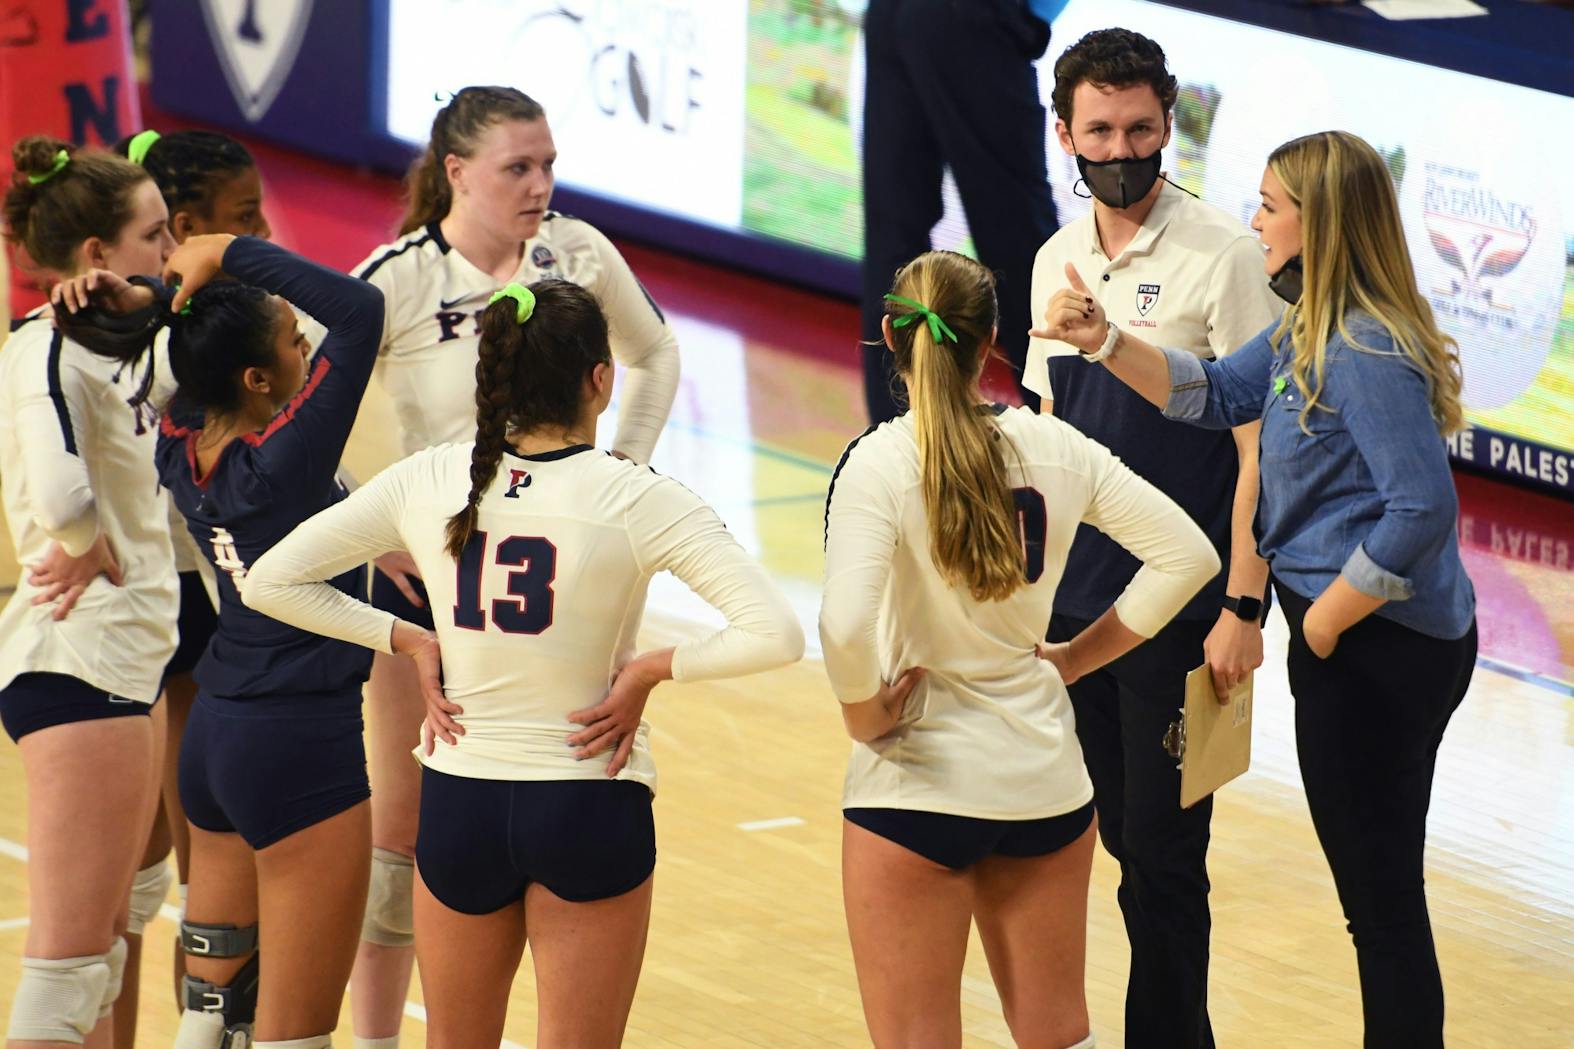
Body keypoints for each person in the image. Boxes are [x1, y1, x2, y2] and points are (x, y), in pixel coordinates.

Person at [242, 278, 802, 1048]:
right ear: (600, 379)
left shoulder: (429, 477)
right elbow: (776, 632)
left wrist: (408, 639)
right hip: (587, 798)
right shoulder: (638, 496)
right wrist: (649, 670)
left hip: (460, 805)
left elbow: (269, 580)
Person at [1036, 129, 1477, 1049]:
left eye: (1272, 207)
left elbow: (1421, 507)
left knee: (1381, 904)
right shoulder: (1308, 322)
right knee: (1380, 898)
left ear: (1322, 223)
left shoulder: (1360, 344)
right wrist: (1106, 340)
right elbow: (1211, 393)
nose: (1256, 221)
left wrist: (1325, 621)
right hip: (1366, 642)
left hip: (1381, 648)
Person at [344, 84, 682, 1047]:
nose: (541, 186)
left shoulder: (579, 252)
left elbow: (656, 354)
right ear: (456, 172)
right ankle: (376, 1037)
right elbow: (310, 401)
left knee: (568, 773)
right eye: (518, 168)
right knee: (402, 834)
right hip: (439, 586)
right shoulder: (397, 279)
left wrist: (627, 469)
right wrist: (375, 527)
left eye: (549, 166)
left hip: (562, 572)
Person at [821, 250, 1220, 1048]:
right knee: (1058, 1035)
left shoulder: (880, 461)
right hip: (1042, 783)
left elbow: (842, 624)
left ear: (891, 337)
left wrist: (864, 715)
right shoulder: (1056, 446)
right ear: (990, 341)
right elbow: (1189, 556)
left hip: (915, 785)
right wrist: (1074, 658)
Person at [54, 231, 387, 1049]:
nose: (305, 346)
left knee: (215, 1014)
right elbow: (360, 310)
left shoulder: (179, 440)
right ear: (256, 378)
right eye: (291, 340)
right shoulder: (285, 461)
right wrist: (228, 251)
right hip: (300, 742)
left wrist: (165, 297)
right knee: (291, 1033)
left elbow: (192, 350)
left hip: (217, 737)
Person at [1022, 30, 1284, 1046]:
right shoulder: (1051, 258)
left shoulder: (1224, 254)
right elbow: (1047, 446)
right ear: (1064, 134)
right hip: (1073, 612)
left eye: (1139, 129)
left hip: (1183, 613)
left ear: (1168, 124)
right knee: (1108, 845)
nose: (1120, 149)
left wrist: (1242, 606)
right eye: (1099, 131)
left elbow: (1260, 448)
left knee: (1166, 861)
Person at [0, 136, 178, 1048]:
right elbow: (63, 496)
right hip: (79, 655)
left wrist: (157, 298)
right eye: (156, 235)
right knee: (69, 971)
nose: (173, 249)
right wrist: (88, 542)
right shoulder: (42, 346)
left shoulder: (125, 342)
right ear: (99, 252)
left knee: (104, 951)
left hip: (127, 661)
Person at [106, 126, 273, 1048]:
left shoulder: (240, 315)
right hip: (142, 606)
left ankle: (206, 1030)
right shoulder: (130, 329)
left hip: (212, 601)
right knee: (138, 873)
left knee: (212, 871)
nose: (265, 231)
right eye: (246, 216)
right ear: (183, 222)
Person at [860, 0, 1063, 421]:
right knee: (1019, 239)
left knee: (893, 238)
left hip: (893, 13)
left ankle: (893, 439)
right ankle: (1070, 432)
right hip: (971, 16)